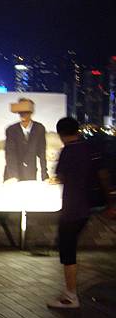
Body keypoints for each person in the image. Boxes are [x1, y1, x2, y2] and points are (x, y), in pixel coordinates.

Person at [47, 117, 113, 308]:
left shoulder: (68, 152)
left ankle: (70, 296)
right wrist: (110, 202)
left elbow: (60, 176)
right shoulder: (90, 148)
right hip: (88, 206)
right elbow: (103, 175)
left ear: (60, 134)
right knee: (68, 246)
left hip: (72, 207)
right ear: (77, 130)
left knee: (67, 249)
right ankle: (70, 292)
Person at [4, 98, 48, 182]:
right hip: (12, 174)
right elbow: (10, 154)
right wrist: (13, 176)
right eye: (21, 112)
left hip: (30, 172)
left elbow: (42, 152)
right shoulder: (11, 130)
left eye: (26, 112)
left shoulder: (39, 128)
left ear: (31, 112)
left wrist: (45, 176)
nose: (23, 114)